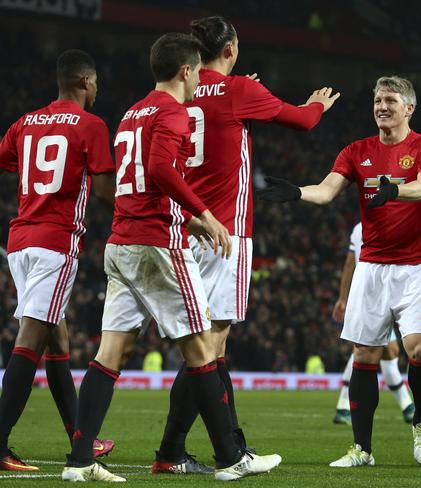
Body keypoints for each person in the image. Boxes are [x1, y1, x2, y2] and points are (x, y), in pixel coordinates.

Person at [60, 33, 281, 482]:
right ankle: (229, 458)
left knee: (110, 354)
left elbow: (142, 182)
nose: (202, 78)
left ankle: (79, 461)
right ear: (185, 71)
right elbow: (160, 170)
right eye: (198, 71)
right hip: (158, 244)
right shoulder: (174, 112)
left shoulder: (131, 114)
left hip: (122, 241)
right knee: (202, 349)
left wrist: (195, 220)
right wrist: (202, 213)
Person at [153, 15, 340, 472]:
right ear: (231, 49)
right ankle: (222, 452)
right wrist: (317, 103)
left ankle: (175, 452)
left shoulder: (188, 91)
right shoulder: (241, 91)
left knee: (201, 346)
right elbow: (303, 121)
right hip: (226, 233)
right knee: (212, 347)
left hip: (184, 228)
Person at [259, 76, 421, 467]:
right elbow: (326, 191)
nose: (382, 106)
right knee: (365, 353)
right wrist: (297, 193)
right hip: (372, 266)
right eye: (377, 99)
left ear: (409, 108)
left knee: (420, 349)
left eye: (390, 100)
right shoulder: (356, 151)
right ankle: (362, 449)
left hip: (417, 266)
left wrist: (395, 191)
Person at [0, 49, 115, 472]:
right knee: (30, 339)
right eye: (97, 81)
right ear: (84, 82)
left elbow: (5, 162)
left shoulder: (25, 123)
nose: (98, 88)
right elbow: (103, 192)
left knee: (57, 342)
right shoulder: (91, 126)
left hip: (20, 243)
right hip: (56, 243)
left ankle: (81, 440)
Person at [332, 222, 415, 425]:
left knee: (381, 350)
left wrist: (343, 298)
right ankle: (406, 405)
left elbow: (349, 264)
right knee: (374, 349)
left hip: (367, 290)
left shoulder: (358, 227)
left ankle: (405, 405)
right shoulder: (391, 223)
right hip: (378, 291)